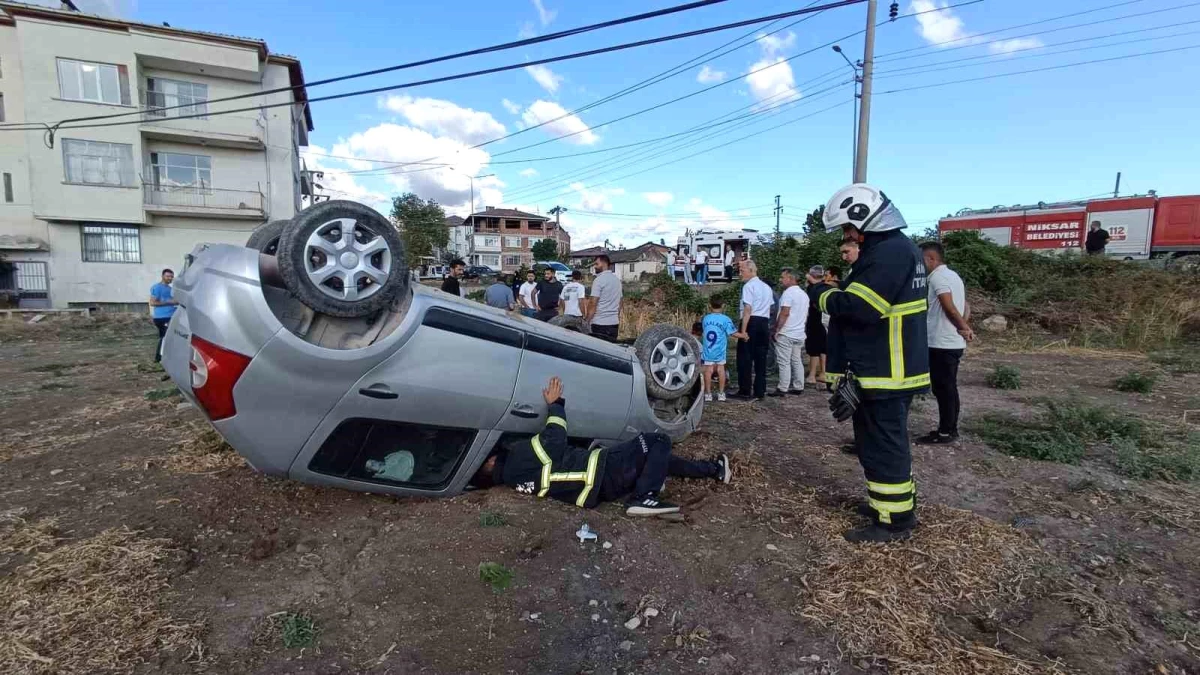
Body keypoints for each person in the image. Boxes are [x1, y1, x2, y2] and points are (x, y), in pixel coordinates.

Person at [811, 183, 929, 543]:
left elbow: (861, 308)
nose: (848, 236)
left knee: (883, 444)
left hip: (887, 372)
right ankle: (888, 505)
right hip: (882, 370)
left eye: (848, 228)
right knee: (875, 443)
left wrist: (822, 294)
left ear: (864, 219)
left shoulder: (890, 253)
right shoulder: (895, 251)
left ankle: (894, 522)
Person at [468, 376, 733, 515]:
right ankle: (644, 498)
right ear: (490, 465)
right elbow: (554, 440)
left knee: (654, 457)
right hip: (600, 470)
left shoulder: (514, 479)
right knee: (657, 440)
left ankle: (713, 470)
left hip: (599, 489)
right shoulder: (515, 459)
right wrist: (555, 404)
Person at [917, 242, 974, 445]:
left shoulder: (939, 278)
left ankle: (947, 432)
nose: (919, 265)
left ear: (930, 259)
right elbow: (966, 305)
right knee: (946, 388)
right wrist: (963, 325)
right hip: (948, 341)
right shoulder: (953, 276)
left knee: (945, 388)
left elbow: (949, 306)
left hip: (942, 342)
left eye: (921, 260)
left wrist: (963, 328)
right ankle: (947, 429)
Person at [733, 259, 773, 401]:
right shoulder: (767, 287)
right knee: (761, 357)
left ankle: (745, 389)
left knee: (745, 357)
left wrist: (744, 331)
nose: (740, 273)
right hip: (764, 322)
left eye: (742, 270)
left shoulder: (749, 286)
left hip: (752, 322)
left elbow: (747, 309)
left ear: (751, 270)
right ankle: (759, 390)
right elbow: (770, 306)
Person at [768, 268, 808, 397]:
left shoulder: (788, 294)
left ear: (790, 278)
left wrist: (777, 329)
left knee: (784, 361)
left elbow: (785, 312)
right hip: (799, 332)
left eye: (783, 277)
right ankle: (799, 385)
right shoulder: (803, 294)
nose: (781, 280)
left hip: (787, 332)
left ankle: (783, 387)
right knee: (796, 360)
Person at [700, 296, 743, 402]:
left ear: (710, 306)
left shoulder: (706, 318)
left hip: (708, 349)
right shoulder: (725, 319)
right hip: (719, 349)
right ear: (723, 306)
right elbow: (733, 333)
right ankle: (721, 393)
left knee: (708, 370)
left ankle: (708, 394)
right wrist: (744, 336)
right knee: (720, 369)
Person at [586, 254, 622, 342]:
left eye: (597, 264)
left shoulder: (598, 280)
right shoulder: (617, 280)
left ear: (604, 264)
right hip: (614, 324)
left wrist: (587, 321)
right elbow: (620, 303)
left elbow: (592, 303)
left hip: (599, 324)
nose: (595, 267)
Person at [804, 266, 830, 387]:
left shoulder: (812, 288)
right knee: (824, 347)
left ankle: (812, 374)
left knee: (814, 348)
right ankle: (824, 372)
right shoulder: (827, 287)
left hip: (814, 320)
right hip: (826, 320)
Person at [149, 268, 178, 363]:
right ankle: (159, 358)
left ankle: (166, 357)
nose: (170, 278)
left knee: (169, 337)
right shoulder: (157, 287)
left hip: (170, 316)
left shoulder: (170, 289)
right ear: (162, 276)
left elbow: (173, 301)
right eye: (168, 276)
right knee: (165, 337)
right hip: (162, 317)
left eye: (171, 277)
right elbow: (153, 302)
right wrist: (169, 302)